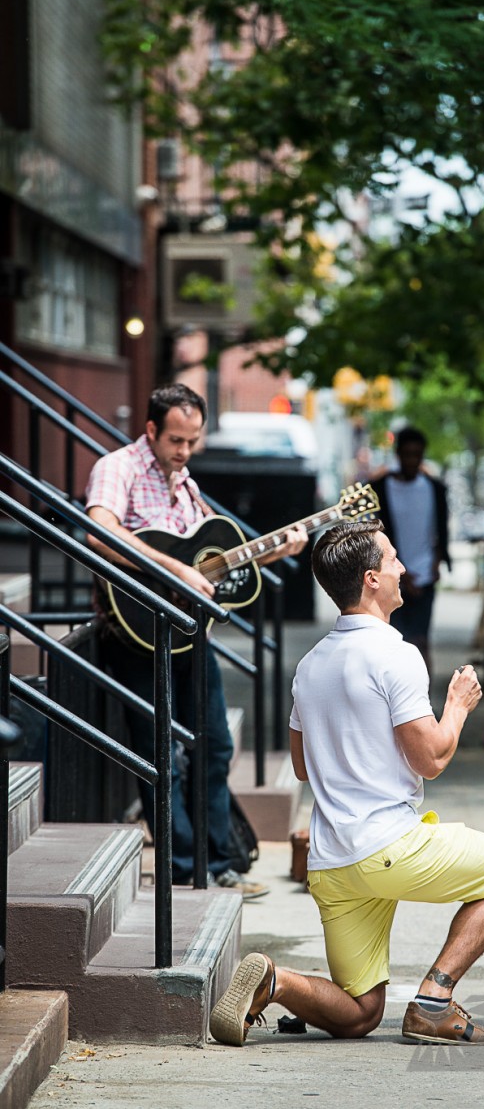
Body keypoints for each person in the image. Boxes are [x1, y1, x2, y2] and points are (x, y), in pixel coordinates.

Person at [210, 518, 484, 1047]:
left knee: (360, 1015)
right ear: (370, 580)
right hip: (387, 846)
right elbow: (430, 760)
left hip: (332, 863)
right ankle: (433, 1001)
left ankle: (275, 980)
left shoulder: (311, 665)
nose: (403, 567)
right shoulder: (396, 655)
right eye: (393, 559)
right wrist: (457, 708)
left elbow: (303, 766)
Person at [85, 384, 308, 896]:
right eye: (175, 440)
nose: (184, 451)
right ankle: (185, 863)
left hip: (188, 631)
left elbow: (210, 561)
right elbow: (98, 531)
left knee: (215, 744)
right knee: (158, 748)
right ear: (151, 431)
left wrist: (274, 551)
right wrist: (172, 569)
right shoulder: (118, 467)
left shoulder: (183, 481)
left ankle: (218, 860)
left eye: (192, 441)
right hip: (137, 628)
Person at [372, 426, 450, 675]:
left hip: (425, 575)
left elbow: (441, 529)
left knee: (420, 642)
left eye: (417, 454)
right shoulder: (381, 488)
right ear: (398, 454)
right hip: (390, 575)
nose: (411, 460)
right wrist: (402, 575)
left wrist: (437, 563)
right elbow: (378, 533)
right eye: (407, 454)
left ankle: (421, 704)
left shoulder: (434, 488)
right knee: (391, 641)